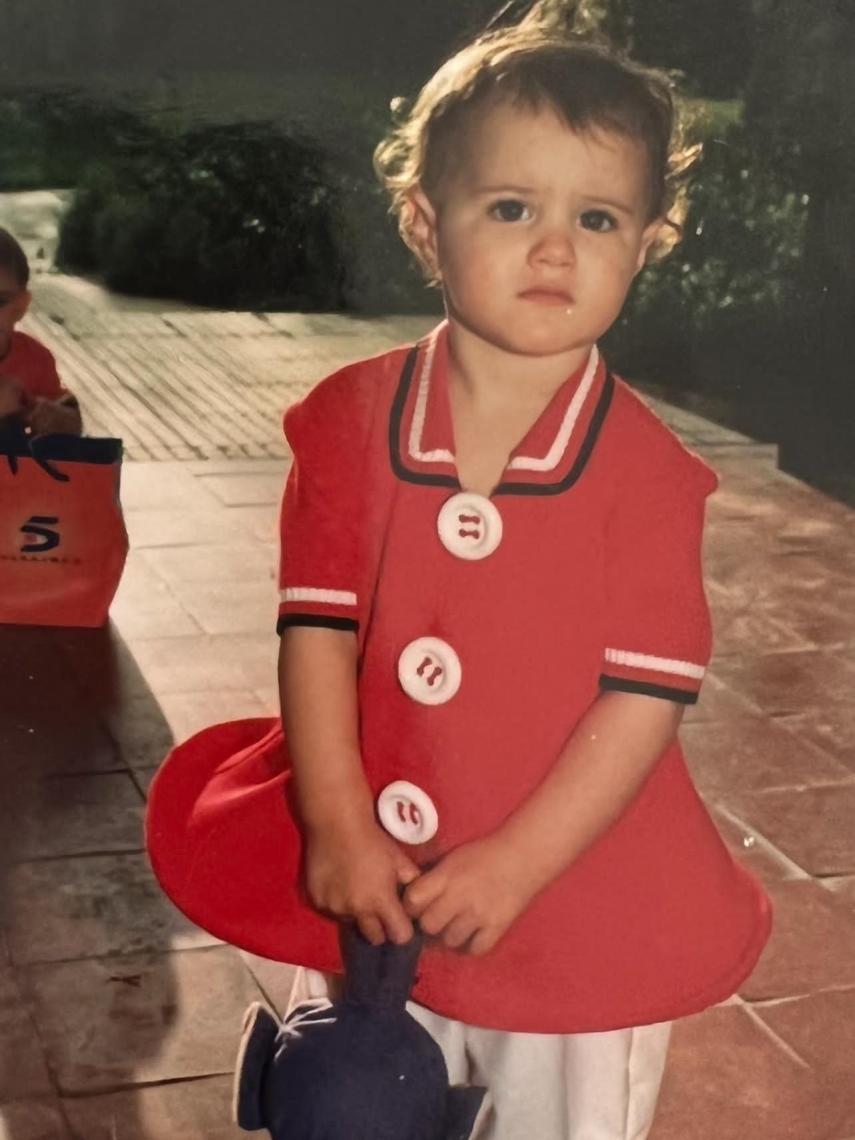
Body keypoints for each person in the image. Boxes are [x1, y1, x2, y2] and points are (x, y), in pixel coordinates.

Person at [146, 10, 772, 1139]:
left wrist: (518, 865)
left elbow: (645, 697)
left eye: (597, 217)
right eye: (511, 207)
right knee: (357, 1095)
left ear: (649, 242)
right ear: (426, 227)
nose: (554, 248)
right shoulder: (346, 424)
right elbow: (319, 634)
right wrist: (335, 820)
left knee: (554, 1121)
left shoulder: (648, 476)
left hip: (574, 888)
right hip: (373, 875)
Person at [0, 227, 82, 439]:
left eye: (0, 301)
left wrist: (55, 418)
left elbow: (70, 421)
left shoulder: (35, 359)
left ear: (21, 306)